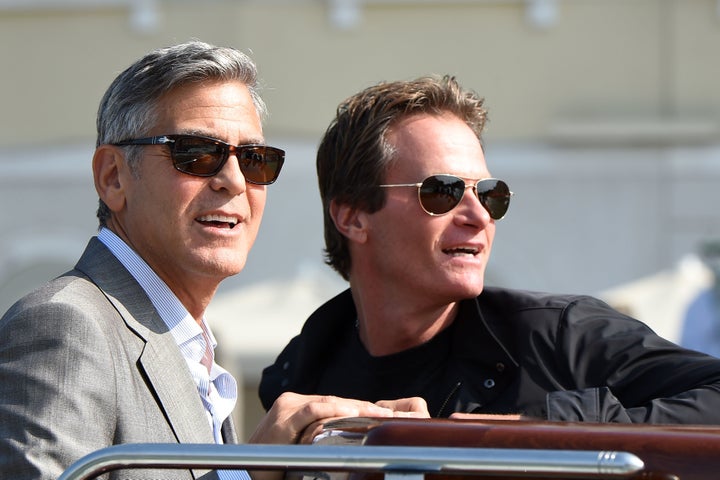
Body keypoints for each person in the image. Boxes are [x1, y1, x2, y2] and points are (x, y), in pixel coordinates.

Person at [0, 41, 427, 480]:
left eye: (255, 160)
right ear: (113, 178)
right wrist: (249, 469)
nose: (234, 181)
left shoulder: (188, 345)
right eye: (197, 153)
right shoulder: (66, 326)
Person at [259, 75, 720, 424]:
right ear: (353, 216)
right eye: (441, 191)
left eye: (490, 194)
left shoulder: (560, 338)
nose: (478, 215)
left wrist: (539, 435)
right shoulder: (295, 378)